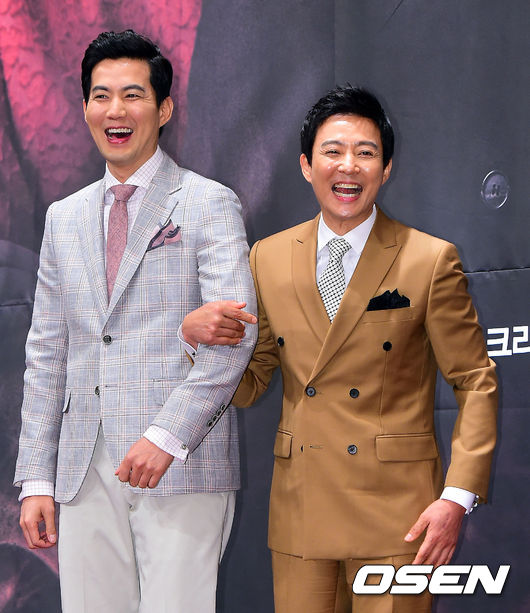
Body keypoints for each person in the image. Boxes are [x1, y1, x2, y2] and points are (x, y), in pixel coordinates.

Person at [180, 85, 498, 612]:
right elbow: (252, 382)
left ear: (386, 168)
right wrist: (196, 341)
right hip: (301, 510)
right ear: (306, 165)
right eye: (333, 151)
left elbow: (475, 381)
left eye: (365, 152)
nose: (348, 166)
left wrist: (456, 497)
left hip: (399, 516)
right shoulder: (267, 257)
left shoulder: (430, 259)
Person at [14, 30, 257, 613]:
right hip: (82, 467)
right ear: (85, 108)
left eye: (132, 95)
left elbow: (234, 336)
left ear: (164, 108)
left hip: (180, 463)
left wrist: (166, 437)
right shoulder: (63, 218)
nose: (115, 111)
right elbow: (47, 352)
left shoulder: (208, 202)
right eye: (101, 96)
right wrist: (37, 479)